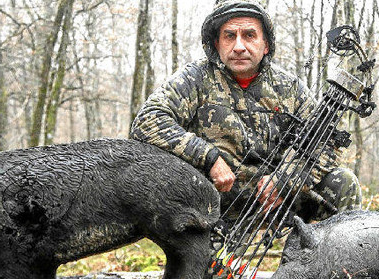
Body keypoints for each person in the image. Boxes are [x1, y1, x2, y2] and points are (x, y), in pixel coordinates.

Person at [130, 0, 361, 225]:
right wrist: (208, 157)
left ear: (266, 44)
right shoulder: (195, 78)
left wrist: (286, 181)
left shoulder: (289, 88)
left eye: (249, 35)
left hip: (278, 200)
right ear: (217, 44)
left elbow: (326, 142)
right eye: (229, 36)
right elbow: (147, 120)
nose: (239, 46)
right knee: (207, 259)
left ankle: (330, 260)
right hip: (213, 203)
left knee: (343, 182)